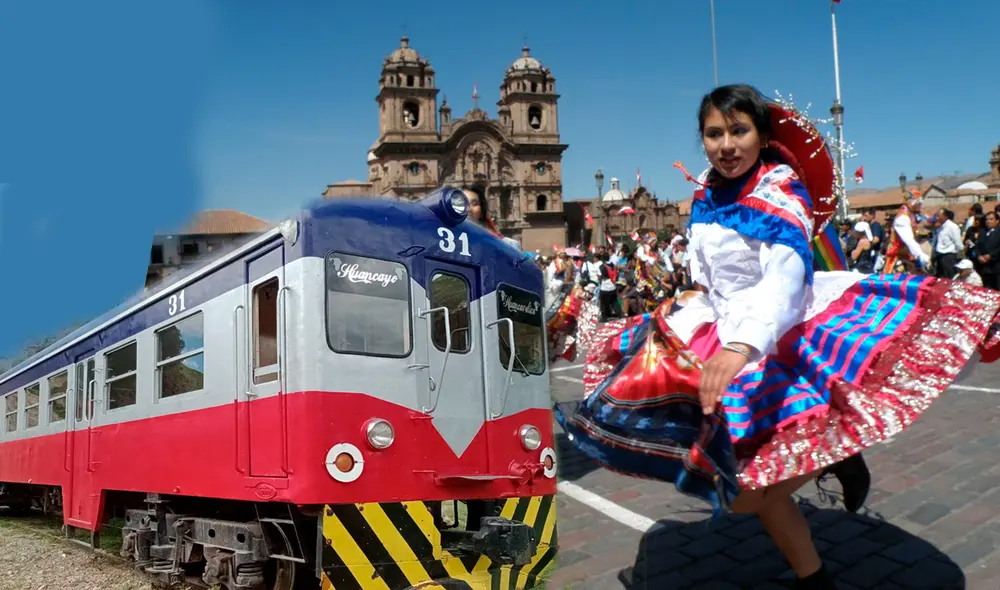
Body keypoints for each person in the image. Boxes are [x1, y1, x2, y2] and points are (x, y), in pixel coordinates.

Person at [556, 84, 1000, 589]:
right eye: (714, 133)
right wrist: (686, 307)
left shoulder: (777, 189)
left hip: (781, 328)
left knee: (746, 488)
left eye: (739, 131)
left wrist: (743, 345)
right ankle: (815, 578)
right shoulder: (706, 192)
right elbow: (712, 273)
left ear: (762, 135)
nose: (726, 145)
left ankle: (835, 455)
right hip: (719, 328)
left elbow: (786, 277)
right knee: (748, 473)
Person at [932, 208, 963, 279]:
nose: (937, 218)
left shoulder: (952, 227)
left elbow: (958, 244)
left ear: (945, 216)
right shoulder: (940, 227)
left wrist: (961, 256)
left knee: (950, 277)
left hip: (949, 257)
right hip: (939, 256)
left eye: (939, 216)